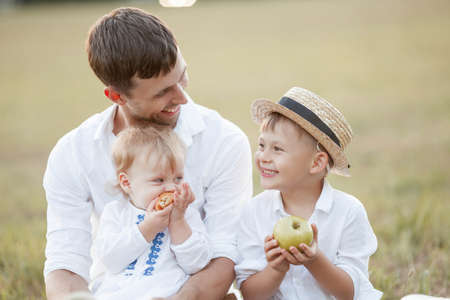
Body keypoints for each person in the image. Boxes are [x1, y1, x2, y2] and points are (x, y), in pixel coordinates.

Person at [43, 7, 252, 300]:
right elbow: (66, 263)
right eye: (162, 92)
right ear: (116, 96)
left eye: (183, 76)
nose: (182, 97)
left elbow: (224, 253)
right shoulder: (73, 153)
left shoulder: (225, 141)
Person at [235, 87, 382, 300]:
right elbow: (250, 294)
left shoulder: (348, 212)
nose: (263, 156)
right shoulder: (254, 211)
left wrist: (314, 261)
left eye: (277, 149)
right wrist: (275, 269)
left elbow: (350, 293)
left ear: (316, 162)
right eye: (261, 145)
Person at [91, 127, 211, 299]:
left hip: (164, 293)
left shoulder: (186, 214)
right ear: (127, 183)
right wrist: (146, 229)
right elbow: (111, 260)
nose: (171, 187)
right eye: (159, 180)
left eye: (178, 178)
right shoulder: (116, 213)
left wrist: (178, 222)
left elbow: (196, 264)